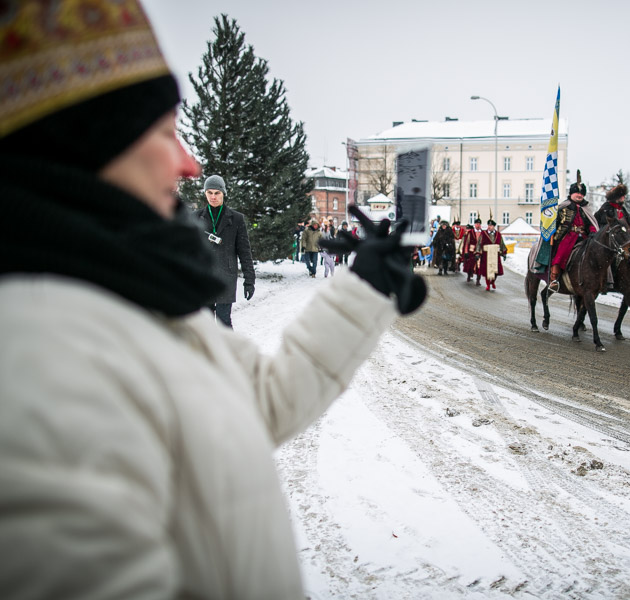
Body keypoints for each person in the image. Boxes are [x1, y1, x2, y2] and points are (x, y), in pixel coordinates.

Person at [0, 2, 426, 598]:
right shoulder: (39, 366)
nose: (190, 164)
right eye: (164, 133)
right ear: (84, 149)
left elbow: (263, 398)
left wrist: (365, 289)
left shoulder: (139, 291)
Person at [194, 175, 255, 328]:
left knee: (223, 322)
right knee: (205, 324)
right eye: (209, 193)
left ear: (223, 193)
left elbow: (244, 252)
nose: (213, 197)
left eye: (217, 193)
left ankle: (225, 344)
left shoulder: (236, 219)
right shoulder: (195, 218)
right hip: (204, 278)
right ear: (205, 193)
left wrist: (249, 281)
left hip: (226, 277)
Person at [549, 172, 600, 291]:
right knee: (561, 252)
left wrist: (593, 231)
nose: (579, 195)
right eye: (577, 193)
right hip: (567, 236)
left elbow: (591, 223)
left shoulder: (585, 209)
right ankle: (554, 278)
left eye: (581, 194)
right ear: (571, 193)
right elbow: (555, 222)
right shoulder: (564, 206)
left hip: (584, 237)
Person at [477, 219, 507, 291]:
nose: (489, 227)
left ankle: (492, 281)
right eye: (488, 225)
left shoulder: (498, 234)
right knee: (487, 270)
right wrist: (477, 253)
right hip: (486, 255)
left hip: (495, 254)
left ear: (494, 226)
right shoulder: (483, 234)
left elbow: (502, 244)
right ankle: (488, 284)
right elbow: (479, 243)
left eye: (491, 225)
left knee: (496, 270)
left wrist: (504, 252)